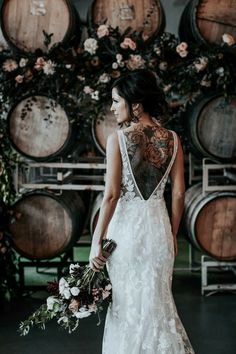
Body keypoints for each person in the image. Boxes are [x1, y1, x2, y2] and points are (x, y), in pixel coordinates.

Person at [89, 69, 195, 354]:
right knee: (158, 304)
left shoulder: (118, 139)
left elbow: (110, 196)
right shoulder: (172, 139)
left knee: (127, 306)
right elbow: (179, 193)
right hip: (158, 230)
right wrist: (172, 234)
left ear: (135, 104)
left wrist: (96, 242)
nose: (112, 107)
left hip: (126, 234)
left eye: (116, 101)